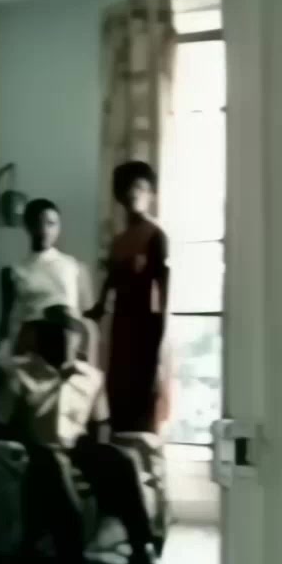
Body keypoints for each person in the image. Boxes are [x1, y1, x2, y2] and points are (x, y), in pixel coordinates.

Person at [0, 306, 178, 564]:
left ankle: (142, 559)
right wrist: (22, 446)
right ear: (40, 339)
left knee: (122, 460)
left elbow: (100, 424)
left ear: (78, 340)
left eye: (68, 336)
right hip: (36, 450)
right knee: (54, 463)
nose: (62, 342)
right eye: (53, 336)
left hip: (76, 445)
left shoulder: (91, 377)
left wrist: (100, 459)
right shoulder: (19, 373)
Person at [87, 162, 172, 433]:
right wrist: (97, 309)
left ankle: (143, 447)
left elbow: (163, 285)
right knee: (118, 388)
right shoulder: (118, 242)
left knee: (143, 392)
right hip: (122, 324)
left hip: (147, 325)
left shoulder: (156, 236)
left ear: (151, 194)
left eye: (141, 188)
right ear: (120, 195)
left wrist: (160, 334)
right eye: (129, 188)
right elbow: (110, 282)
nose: (134, 193)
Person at [0, 197, 93, 356]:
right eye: (38, 223)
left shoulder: (74, 267)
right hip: (31, 345)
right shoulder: (14, 271)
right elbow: (5, 319)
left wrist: (88, 352)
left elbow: (88, 319)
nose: (44, 230)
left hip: (68, 342)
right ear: (28, 226)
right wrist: (2, 350)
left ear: (59, 227)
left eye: (51, 224)